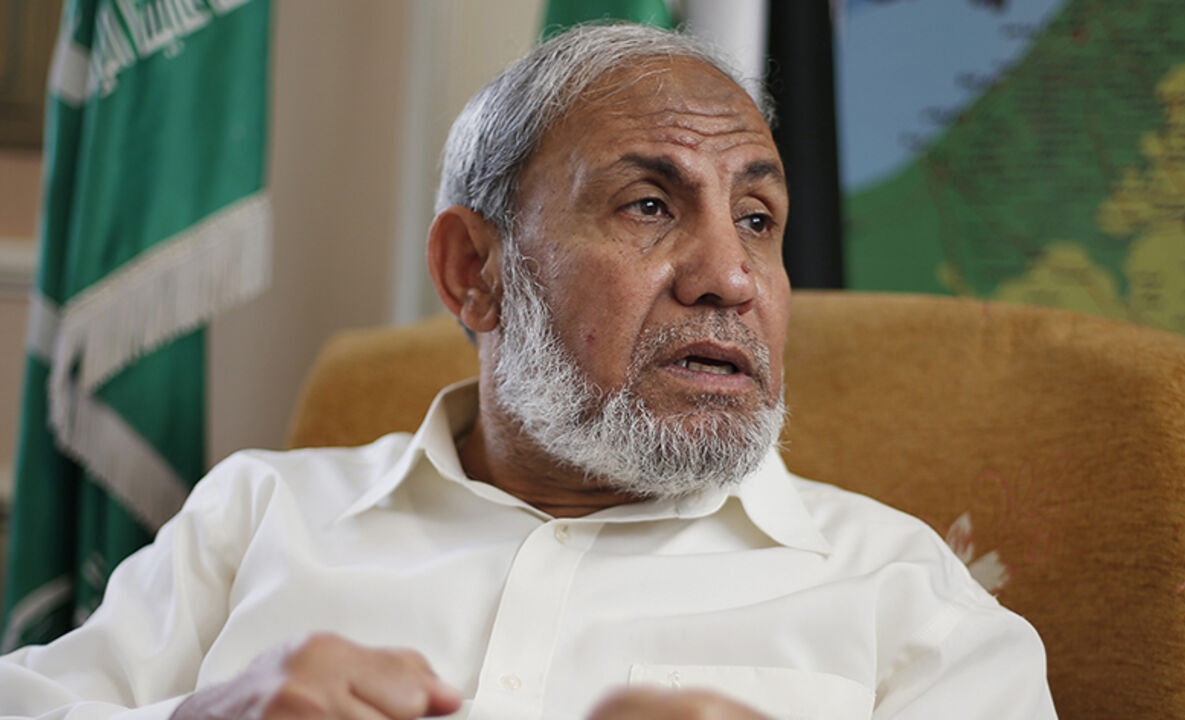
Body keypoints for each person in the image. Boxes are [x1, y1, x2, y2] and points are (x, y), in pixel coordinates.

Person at [0, 23, 1057, 720]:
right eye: (649, 205)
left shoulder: (904, 594)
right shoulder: (257, 516)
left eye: (756, 217)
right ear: (475, 273)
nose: (730, 276)